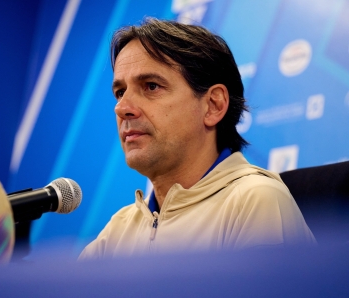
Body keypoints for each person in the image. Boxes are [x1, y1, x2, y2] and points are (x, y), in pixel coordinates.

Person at [79, 18, 316, 259]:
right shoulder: (117, 232)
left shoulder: (255, 201)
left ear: (213, 105)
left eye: (151, 86)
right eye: (120, 92)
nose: (122, 108)